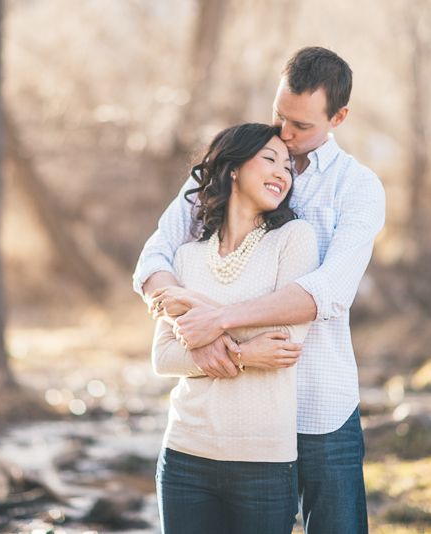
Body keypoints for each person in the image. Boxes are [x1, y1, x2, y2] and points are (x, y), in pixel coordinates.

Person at [134, 47, 386, 534]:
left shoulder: (357, 188)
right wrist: (199, 335)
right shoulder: (238, 160)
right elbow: (156, 259)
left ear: (339, 117)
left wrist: (219, 322)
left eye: (302, 127)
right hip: (235, 417)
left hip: (318, 405)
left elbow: (327, 292)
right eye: (279, 116)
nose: (286, 136)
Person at [150, 123, 318, 534]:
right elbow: (164, 356)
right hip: (186, 455)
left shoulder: (293, 240)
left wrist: (200, 311)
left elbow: (283, 345)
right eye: (270, 160)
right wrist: (244, 353)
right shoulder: (187, 257)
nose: (283, 172)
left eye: (288, 167)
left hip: (263, 462)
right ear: (233, 169)